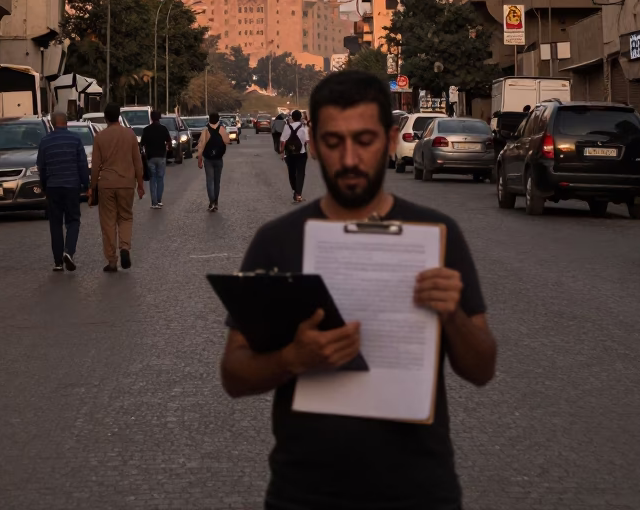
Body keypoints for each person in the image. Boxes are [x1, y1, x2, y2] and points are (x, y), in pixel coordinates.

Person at [219, 69, 497, 510]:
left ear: (389, 142)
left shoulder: (437, 235)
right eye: (334, 142)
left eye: (364, 141)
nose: (349, 158)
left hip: (421, 494)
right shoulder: (277, 241)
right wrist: (293, 359)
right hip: (305, 495)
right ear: (313, 144)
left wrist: (452, 315)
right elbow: (233, 374)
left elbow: (482, 368)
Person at [89, 102, 146, 271]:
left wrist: (93, 187)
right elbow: (137, 162)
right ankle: (125, 247)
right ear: (119, 117)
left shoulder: (100, 137)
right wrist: (140, 185)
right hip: (127, 183)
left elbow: (95, 166)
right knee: (126, 217)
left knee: (108, 222)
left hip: (106, 184)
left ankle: (112, 260)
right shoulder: (130, 135)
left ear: (105, 118)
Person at [36, 110, 89, 272]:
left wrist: (44, 186)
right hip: (72, 186)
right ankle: (69, 251)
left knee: (55, 223)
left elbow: (41, 167)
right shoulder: (75, 139)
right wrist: (86, 185)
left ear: (51, 123)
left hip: (53, 187)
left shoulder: (45, 141)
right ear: (66, 122)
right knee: (73, 220)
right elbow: (82, 164)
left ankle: (58, 262)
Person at [198, 110, 231, 212]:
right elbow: (227, 141)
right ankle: (216, 202)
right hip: (219, 159)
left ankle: (211, 202)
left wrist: (199, 159)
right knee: (217, 182)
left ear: (209, 119)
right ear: (218, 119)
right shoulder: (222, 129)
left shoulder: (205, 130)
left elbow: (201, 146)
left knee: (209, 181)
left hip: (208, 159)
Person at [142, 109, 173, 209]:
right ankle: (159, 200)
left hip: (150, 157)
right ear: (159, 118)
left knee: (152, 179)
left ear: (151, 118)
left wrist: (144, 152)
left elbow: (141, 144)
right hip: (161, 157)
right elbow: (169, 141)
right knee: (160, 179)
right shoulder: (163, 129)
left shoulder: (146, 129)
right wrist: (168, 149)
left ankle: (154, 202)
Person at [279, 109, 308, 203]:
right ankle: (298, 194)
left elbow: (283, 141)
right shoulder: (304, 127)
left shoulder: (287, 127)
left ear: (292, 117)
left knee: (291, 173)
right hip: (301, 154)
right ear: (300, 117)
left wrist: (282, 152)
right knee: (300, 173)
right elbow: (307, 140)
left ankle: (295, 191)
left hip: (290, 153)